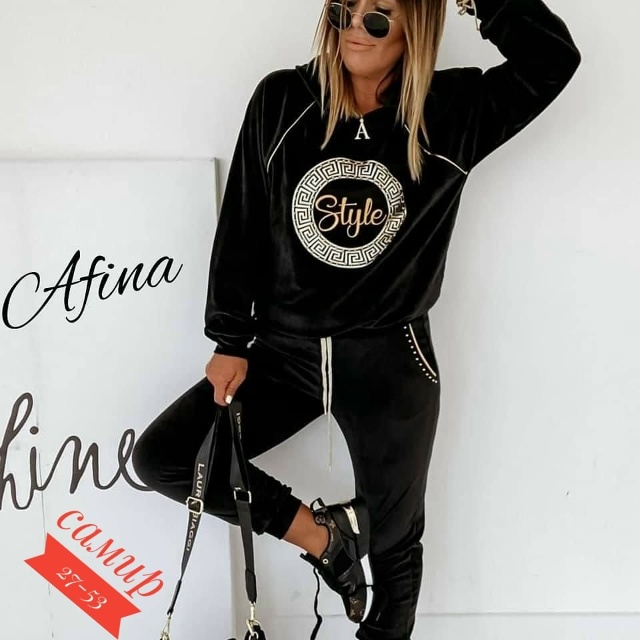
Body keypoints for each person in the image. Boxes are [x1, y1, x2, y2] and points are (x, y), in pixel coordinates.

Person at [132, 0, 581, 637]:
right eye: (344, 9)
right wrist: (229, 337)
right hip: (283, 354)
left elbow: (553, 59)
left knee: (396, 548)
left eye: (377, 17)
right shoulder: (284, 100)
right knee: (166, 457)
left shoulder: (451, 112)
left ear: (414, 25)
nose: (353, 28)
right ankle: (325, 539)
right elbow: (242, 224)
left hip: (390, 359)